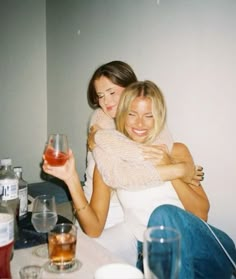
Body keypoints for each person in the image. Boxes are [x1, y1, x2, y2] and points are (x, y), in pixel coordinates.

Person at [43, 80, 236, 278]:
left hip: (204, 250)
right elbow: (93, 229)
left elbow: (201, 213)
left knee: (163, 214)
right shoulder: (112, 165)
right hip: (154, 256)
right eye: (132, 114)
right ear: (122, 116)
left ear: (158, 117)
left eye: (148, 116)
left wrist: (168, 167)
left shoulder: (176, 150)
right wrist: (71, 179)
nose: (140, 124)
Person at [84, 61, 202, 229]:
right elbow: (118, 175)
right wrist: (180, 169)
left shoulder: (157, 133)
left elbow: (160, 146)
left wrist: (171, 163)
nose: (106, 102)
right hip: (102, 218)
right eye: (100, 96)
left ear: (131, 89)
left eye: (112, 92)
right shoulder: (100, 121)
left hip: (129, 224)